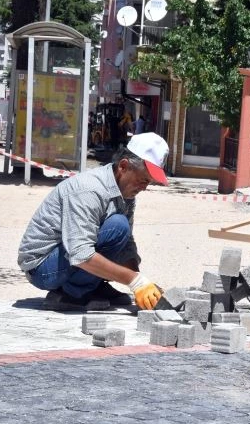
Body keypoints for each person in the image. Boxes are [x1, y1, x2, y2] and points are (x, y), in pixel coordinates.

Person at [18, 133, 170, 312]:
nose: (144, 187)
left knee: (120, 230)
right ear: (123, 166)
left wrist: (142, 280)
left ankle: (91, 286)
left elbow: (126, 245)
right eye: (143, 180)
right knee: (118, 226)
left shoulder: (126, 193)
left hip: (67, 255)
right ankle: (72, 294)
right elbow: (81, 253)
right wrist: (134, 281)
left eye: (149, 182)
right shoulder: (89, 190)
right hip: (42, 268)